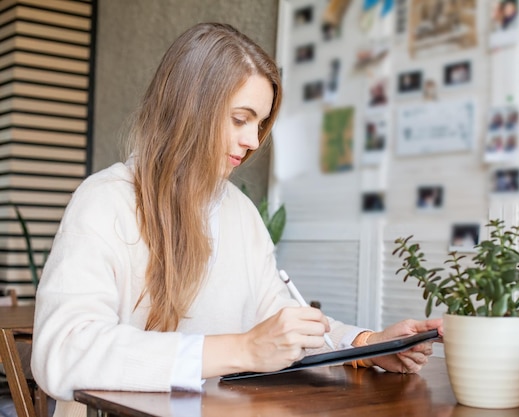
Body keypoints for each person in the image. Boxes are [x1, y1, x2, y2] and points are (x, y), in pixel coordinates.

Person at [31, 23, 443, 417]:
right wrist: (242, 348)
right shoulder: (107, 200)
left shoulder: (239, 213)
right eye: (240, 119)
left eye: (260, 124)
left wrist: (366, 344)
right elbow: (64, 351)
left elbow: (277, 314)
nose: (253, 141)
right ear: (190, 108)